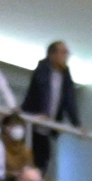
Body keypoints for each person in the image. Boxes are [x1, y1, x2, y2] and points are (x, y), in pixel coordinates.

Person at [21, 40, 78, 171]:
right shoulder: (42, 69)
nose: (66, 56)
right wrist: (43, 113)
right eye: (63, 53)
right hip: (33, 123)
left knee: (43, 161)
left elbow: (69, 100)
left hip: (48, 127)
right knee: (29, 158)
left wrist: (76, 123)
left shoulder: (66, 75)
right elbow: (42, 91)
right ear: (52, 55)